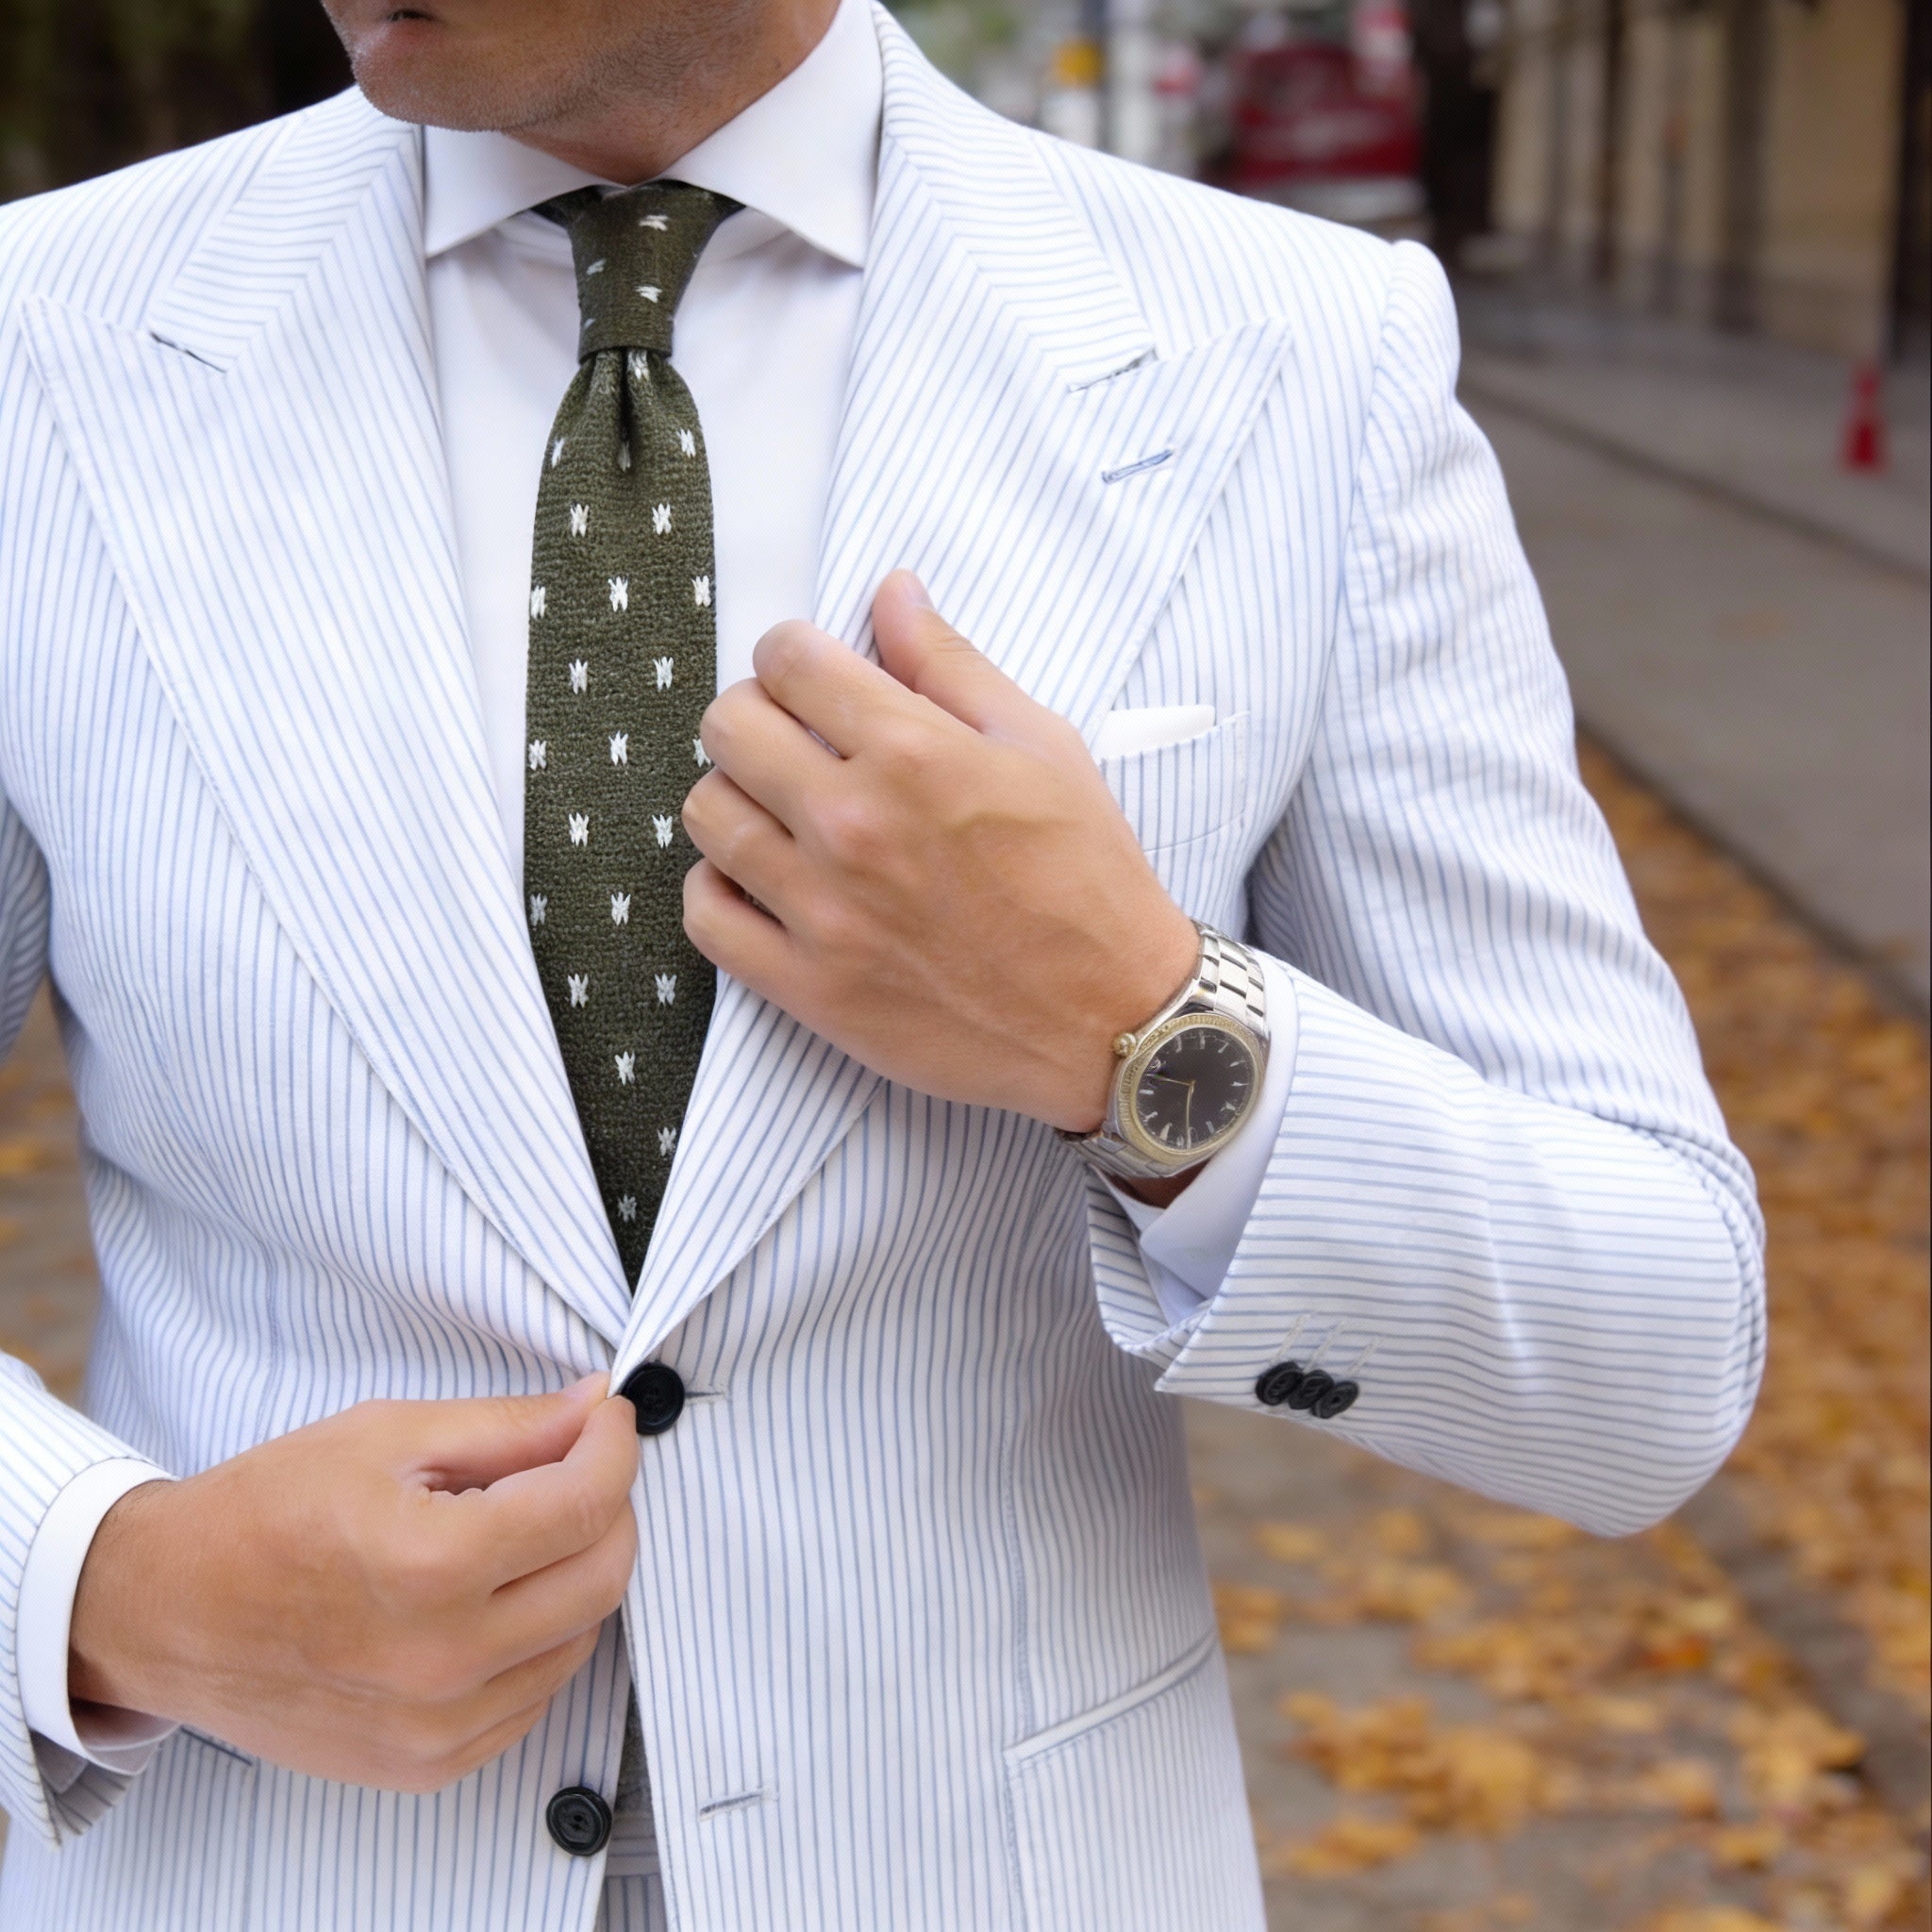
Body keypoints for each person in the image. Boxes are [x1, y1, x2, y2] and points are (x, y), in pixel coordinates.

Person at [0, 1, 1765, 1926]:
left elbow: (1654, 1357)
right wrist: (108, 1583)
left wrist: (1147, 1035)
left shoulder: (1296, 363)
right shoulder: (43, 347)